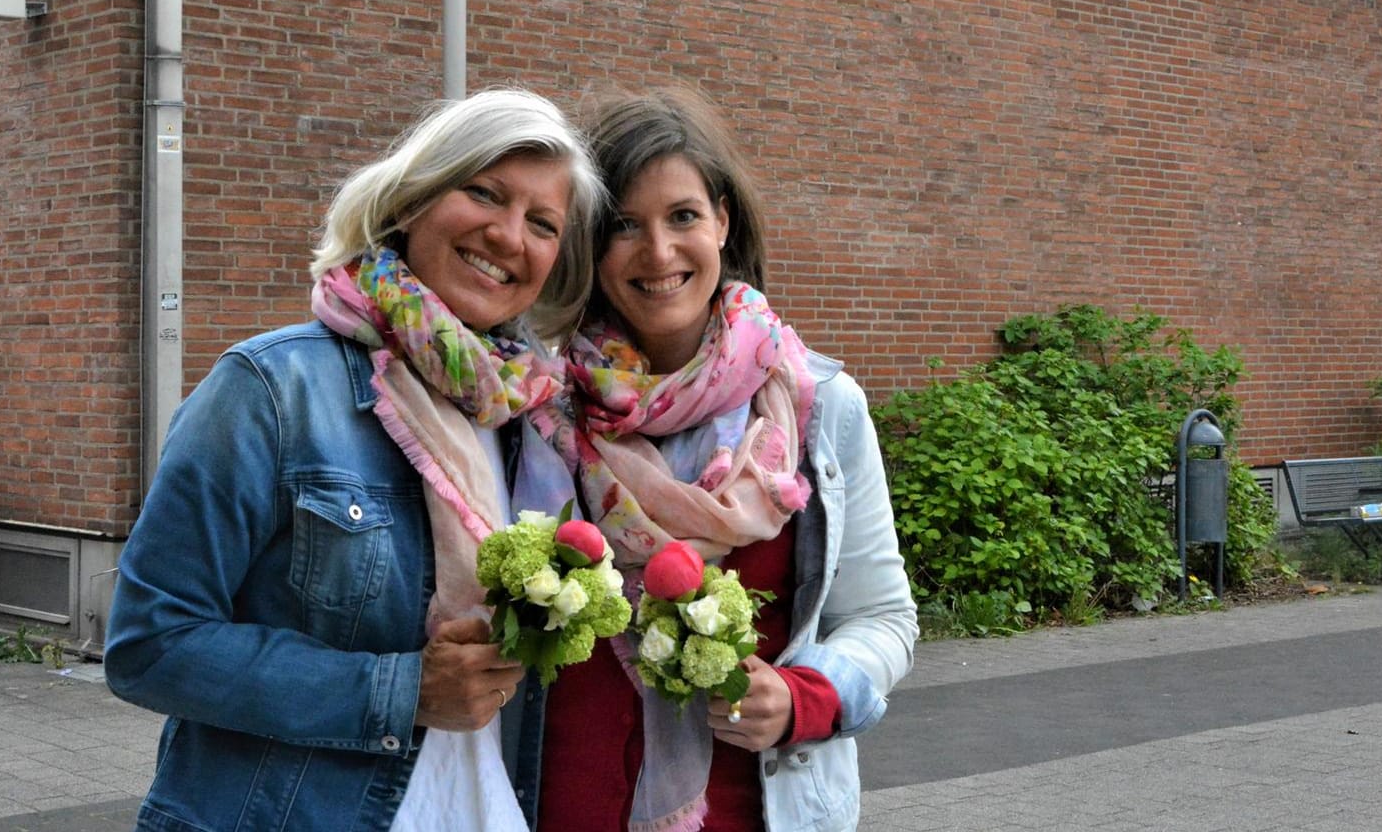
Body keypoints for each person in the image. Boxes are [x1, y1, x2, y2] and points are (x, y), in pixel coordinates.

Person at [105, 89, 603, 832]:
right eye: (484, 194)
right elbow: (151, 643)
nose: (508, 236)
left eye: (542, 224)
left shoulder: (534, 424)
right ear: (412, 200)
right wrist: (399, 693)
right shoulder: (272, 388)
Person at [538, 88, 917, 832]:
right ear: (589, 243)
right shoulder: (543, 410)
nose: (658, 252)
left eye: (682, 216)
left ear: (722, 220)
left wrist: (807, 696)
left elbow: (881, 617)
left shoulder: (819, 409)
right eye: (623, 226)